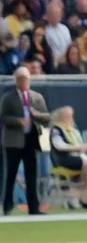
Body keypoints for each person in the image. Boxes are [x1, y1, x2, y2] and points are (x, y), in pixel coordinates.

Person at [1, 66, 50, 214]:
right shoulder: (8, 98)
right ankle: (7, 205)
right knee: (11, 174)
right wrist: (18, 121)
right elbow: (3, 118)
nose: (24, 81)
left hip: (31, 139)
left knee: (31, 175)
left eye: (26, 78)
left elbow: (47, 117)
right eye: (21, 79)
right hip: (14, 141)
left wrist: (36, 115)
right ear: (16, 80)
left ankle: (33, 207)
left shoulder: (37, 97)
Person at [48, 106, 87, 207]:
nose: (70, 118)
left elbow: (80, 143)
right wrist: (76, 148)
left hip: (78, 157)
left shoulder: (74, 130)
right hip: (63, 159)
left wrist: (86, 147)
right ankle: (84, 196)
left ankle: (84, 195)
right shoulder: (56, 129)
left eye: (71, 116)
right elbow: (59, 145)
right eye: (68, 116)